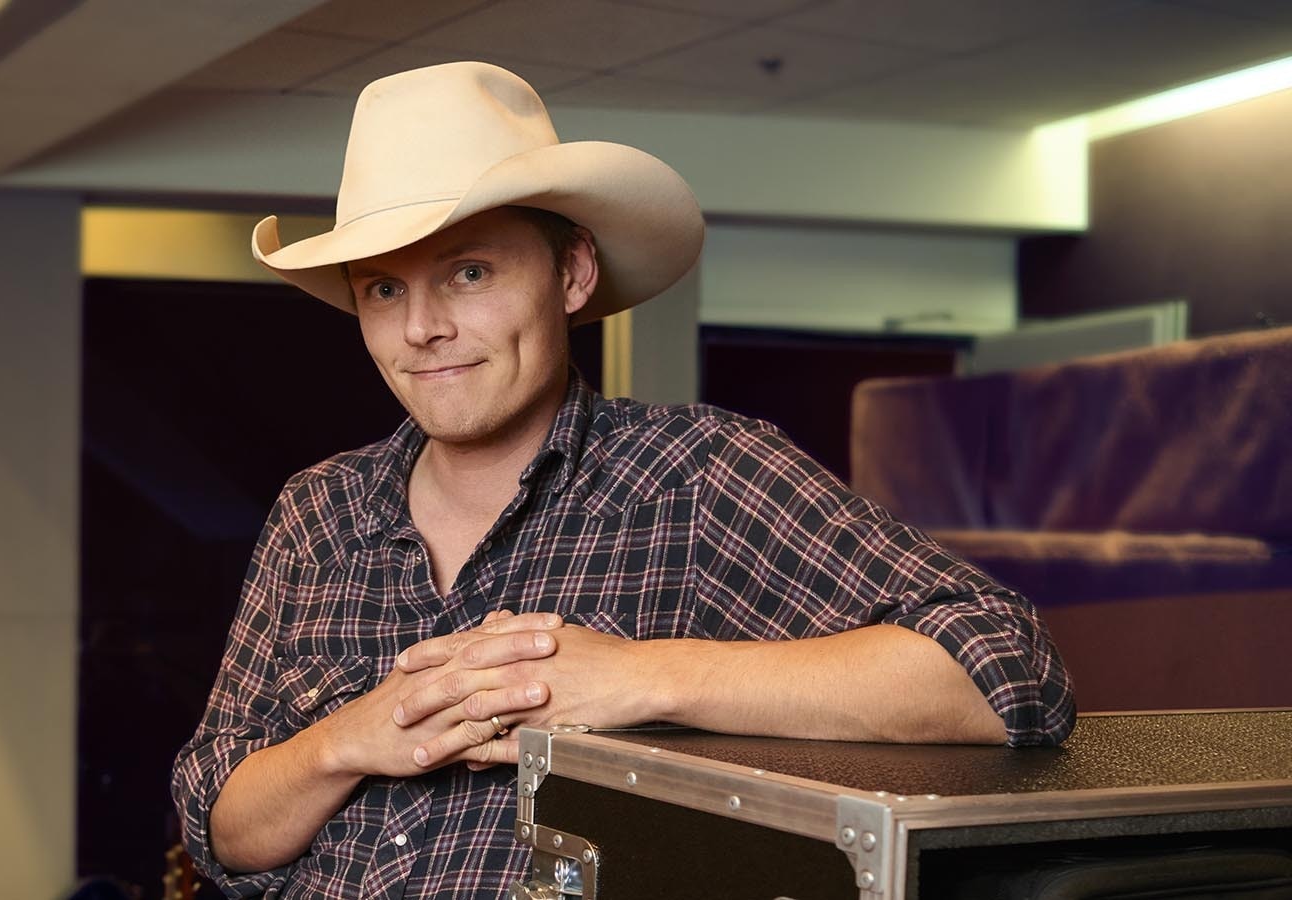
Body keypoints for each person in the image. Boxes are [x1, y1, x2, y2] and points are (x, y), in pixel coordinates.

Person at [172, 61, 1074, 898]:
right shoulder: (316, 512)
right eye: (383, 291)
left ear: (571, 274)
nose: (423, 331)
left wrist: (642, 678)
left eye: (470, 272)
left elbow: (1007, 675)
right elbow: (222, 828)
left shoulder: (700, 475)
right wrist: (344, 743)